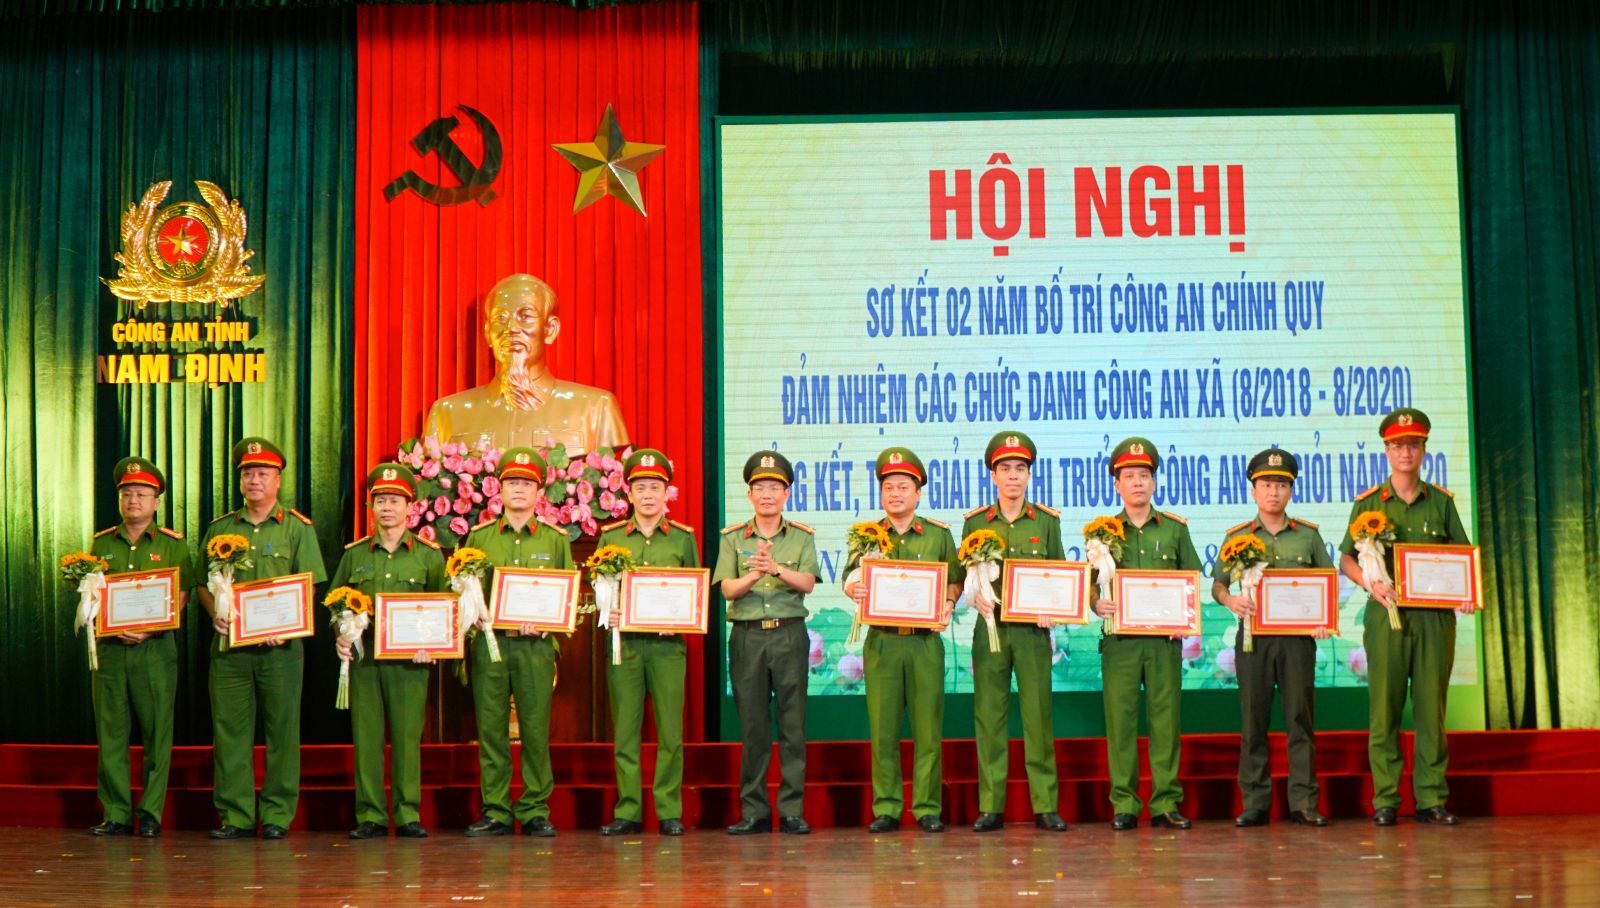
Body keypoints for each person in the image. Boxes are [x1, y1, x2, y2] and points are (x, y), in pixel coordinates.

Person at [1338, 408, 1473, 826]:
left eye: (1413, 445)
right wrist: (1370, 583)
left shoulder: (1441, 502)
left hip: (1435, 620)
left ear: (1424, 450)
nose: (1406, 453)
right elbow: (1346, 559)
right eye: (1397, 446)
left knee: (1431, 709)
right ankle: (1386, 799)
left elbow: (1462, 558)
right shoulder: (1368, 504)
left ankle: (1431, 798)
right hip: (1387, 616)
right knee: (1385, 709)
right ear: (1386, 451)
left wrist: (1467, 594)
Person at [199, 437, 327, 840]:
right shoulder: (220, 529)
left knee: (282, 733)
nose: (254, 480)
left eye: (263, 473)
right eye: (248, 474)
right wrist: (215, 614)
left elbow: (310, 586)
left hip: (282, 652)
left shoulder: (297, 528)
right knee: (230, 733)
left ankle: (276, 815)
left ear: (278, 479)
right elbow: (202, 584)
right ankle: (235, 816)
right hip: (230, 651)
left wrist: (287, 625)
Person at [1211, 448, 1333, 828]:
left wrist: (1323, 620)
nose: (1273, 491)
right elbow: (1217, 584)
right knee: (1254, 720)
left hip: (1297, 641)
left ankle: (1303, 802)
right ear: (1253, 490)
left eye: (1281, 485)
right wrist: (1230, 599)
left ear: (1290, 490)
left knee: (1300, 719)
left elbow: (1327, 583)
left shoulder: (1308, 536)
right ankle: (1255, 802)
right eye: (1266, 484)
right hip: (1254, 640)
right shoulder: (1237, 537)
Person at [843, 447, 962, 833]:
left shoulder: (938, 534)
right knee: (884, 730)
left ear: (918, 493)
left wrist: (948, 603)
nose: (895, 493)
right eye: (888, 487)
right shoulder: (867, 536)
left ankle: (927, 807)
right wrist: (855, 589)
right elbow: (849, 579)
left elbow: (955, 580)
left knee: (928, 729)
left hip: (924, 643)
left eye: (903, 487)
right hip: (883, 643)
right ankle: (887, 807)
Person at [328, 463, 446, 839]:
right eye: (380, 501)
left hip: (410, 664)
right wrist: (341, 635)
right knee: (367, 738)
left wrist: (433, 647)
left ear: (410, 507)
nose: (387, 508)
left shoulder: (428, 556)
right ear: (371, 507)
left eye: (395, 501)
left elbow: (446, 609)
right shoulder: (354, 555)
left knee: (408, 739)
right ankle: (371, 815)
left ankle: (408, 813)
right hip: (364, 661)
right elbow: (335, 603)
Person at [460, 447, 574, 838]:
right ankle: (496, 809)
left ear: (539, 492)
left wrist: (549, 623)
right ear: (499, 489)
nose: (519, 489)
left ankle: (535, 809)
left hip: (536, 648)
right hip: (490, 645)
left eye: (527, 483)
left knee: (535, 729)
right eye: (512, 482)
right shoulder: (479, 538)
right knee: (491, 729)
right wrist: (472, 612)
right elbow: (461, 588)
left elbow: (568, 597)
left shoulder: (556, 540)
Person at [1091, 436, 1201, 831]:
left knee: (1165, 722)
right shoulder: (1102, 534)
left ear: (1153, 482)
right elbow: (1087, 585)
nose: (1137, 482)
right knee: (1120, 724)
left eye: (1144, 475)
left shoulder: (1174, 530)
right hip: (1120, 643)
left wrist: (1184, 619)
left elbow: (1191, 580)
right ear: (1116, 484)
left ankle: (1165, 803)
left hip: (1163, 644)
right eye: (1129, 476)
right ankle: (1124, 803)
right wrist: (1095, 604)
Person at [962, 431, 1067, 833]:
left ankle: (1045, 804)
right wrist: (974, 597)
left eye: (1020, 468)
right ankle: (991, 805)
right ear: (993, 475)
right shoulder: (975, 522)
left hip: (1032, 634)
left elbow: (1060, 577)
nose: (1012, 476)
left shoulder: (1046, 522)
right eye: (1004, 468)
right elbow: (963, 577)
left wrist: (1054, 609)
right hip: (990, 630)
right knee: (990, 717)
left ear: (1028, 474)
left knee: (1038, 717)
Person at [85, 457, 194, 837]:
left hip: (155, 653)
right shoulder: (101, 543)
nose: (133, 500)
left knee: (156, 734)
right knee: (111, 734)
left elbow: (182, 594)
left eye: (142, 495)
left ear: (156, 502)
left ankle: (150, 812)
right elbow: (91, 595)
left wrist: (150, 629)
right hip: (110, 652)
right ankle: (115, 812)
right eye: (127, 494)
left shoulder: (172, 545)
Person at [714, 451, 819, 835]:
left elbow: (807, 583)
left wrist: (776, 569)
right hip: (748, 637)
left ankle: (792, 810)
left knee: (793, 726)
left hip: (789, 634)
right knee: (754, 727)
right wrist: (754, 576)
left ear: (786, 494)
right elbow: (727, 589)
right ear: (749, 494)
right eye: (760, 488)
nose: (767, 495)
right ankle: (754, 811)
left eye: (775, 487)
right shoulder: (732, 538)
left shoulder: (802, 536)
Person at [596, 448, 698, 837]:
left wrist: (681, 619)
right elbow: (599, 588)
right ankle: (629, 810)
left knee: (670, 732)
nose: (648, 495)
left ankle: (668, 810)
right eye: (641, 488)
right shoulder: (611, 537)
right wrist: (609, 611)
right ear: (629, 493)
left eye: (655, 487)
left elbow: (695, 591)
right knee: (626, 732)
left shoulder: (683, 539)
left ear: (666, 492)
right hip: (625, 647)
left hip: (668, 648)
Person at [423, 273, 629, 455]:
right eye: (500, 318)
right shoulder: (447, 413)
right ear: (487, 333)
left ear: (550, 329)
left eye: (525, 316)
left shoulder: (596, 408)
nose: (511, 328)